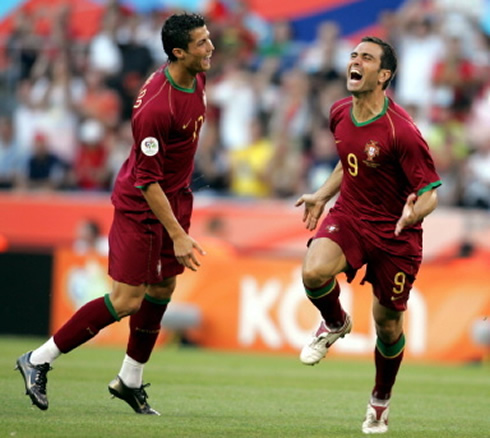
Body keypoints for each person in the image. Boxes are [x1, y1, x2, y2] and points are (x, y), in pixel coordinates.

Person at [16, 12, 214, 415]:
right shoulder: (156, 108)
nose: (210, 47)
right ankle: (38, 359)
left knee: (162, 290)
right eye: (201, 43)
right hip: (143, 207)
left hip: (174, 198)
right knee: (126, 299)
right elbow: (147, 182)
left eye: (208, 39)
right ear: (178, 52)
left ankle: (130, 380)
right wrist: (177, 234)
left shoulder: (197, 77)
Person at [295, 36, 441, 434]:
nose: (355, 62)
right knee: (312, 273)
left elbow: (430, 192)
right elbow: (349, 161)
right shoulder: (339, 112)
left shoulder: (402, 131)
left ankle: (380, 401)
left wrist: (414, 214)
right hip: (352, 215)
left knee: (388, 326)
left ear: (385, 74)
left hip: (395, 233)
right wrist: (323, 196)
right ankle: (335, 321)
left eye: (367, 58)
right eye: (353, 55)